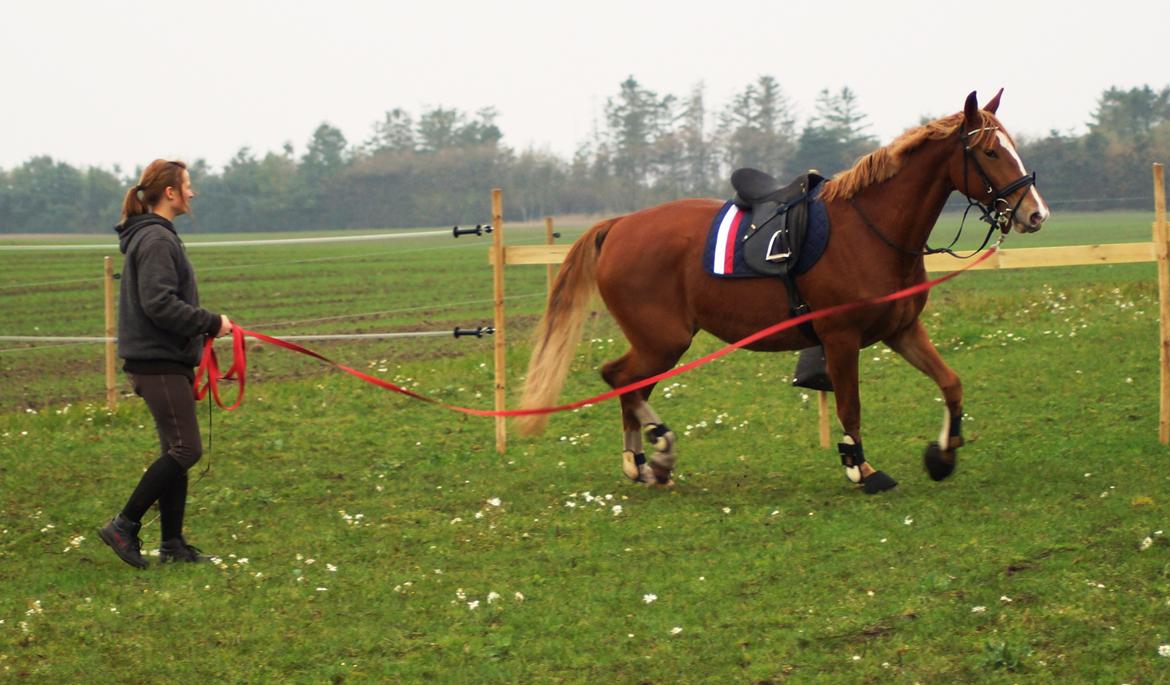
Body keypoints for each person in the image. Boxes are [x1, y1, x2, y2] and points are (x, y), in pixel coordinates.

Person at [97, 159, 232, 569]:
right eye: (187, 186)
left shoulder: (155, 236)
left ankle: (172, 544)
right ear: (170, 193)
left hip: (164, 358)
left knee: (175, 449)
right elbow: (159, 303)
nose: (192, 193)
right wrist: (211, 322)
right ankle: (124, 525)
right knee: (186, 448)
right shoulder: (156, 239)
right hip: (157, 360)